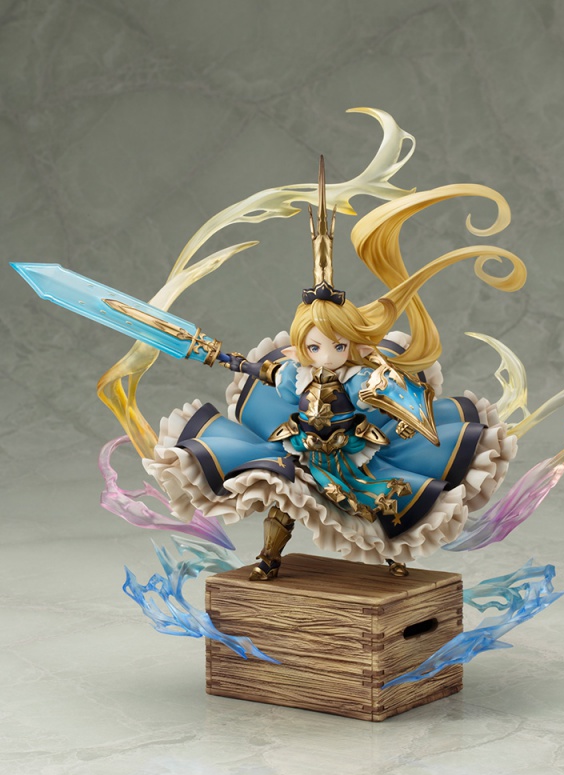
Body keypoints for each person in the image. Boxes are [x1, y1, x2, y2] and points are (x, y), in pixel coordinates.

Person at [144, 159, 526, 580]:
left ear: (353, 345)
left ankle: (392, 554)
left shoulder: (361, 377)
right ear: (302, 347)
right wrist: (236, 362)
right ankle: (270, 557)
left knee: (376, 505)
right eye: (314, 347)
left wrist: (395, 408)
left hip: (350, 455)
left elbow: (391, 403)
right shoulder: (294, 374)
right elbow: (267, 376)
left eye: (337, 346)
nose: (325, 357)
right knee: (284, 498)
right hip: (301, 448)